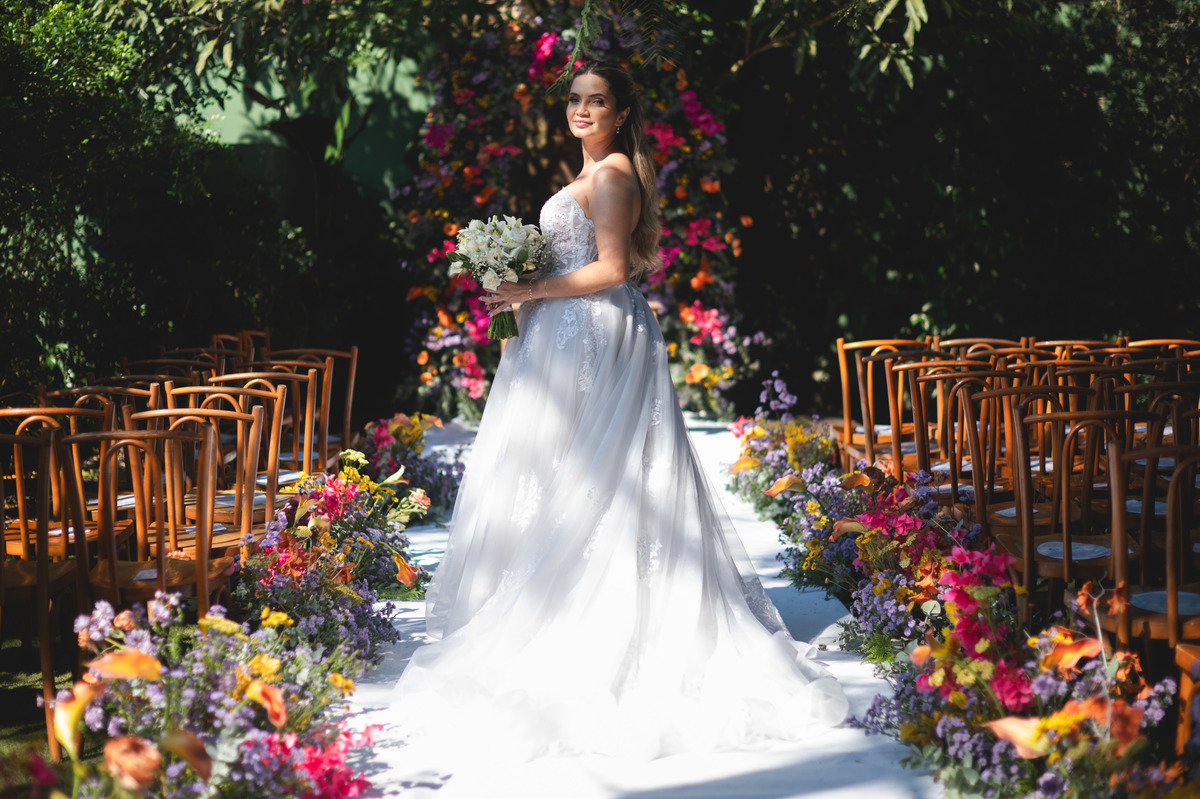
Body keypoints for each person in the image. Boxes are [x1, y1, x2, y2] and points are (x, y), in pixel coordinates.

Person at [392, 60, 847, 761]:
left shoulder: (612, 178)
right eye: (574, 98)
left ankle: (610, 626)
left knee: (600, 480)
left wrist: (530, 289)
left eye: (596, 100)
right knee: (560, 477)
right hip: (561, 337)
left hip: (595, 335)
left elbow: (612, 269)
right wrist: (519, 289)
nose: (581, 109)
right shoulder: (587, 176)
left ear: (621, 112)